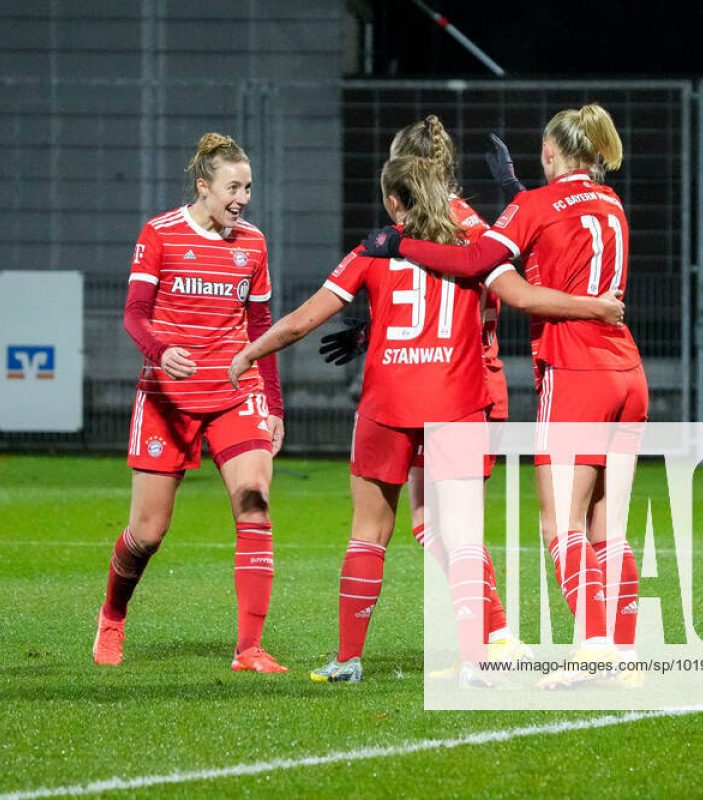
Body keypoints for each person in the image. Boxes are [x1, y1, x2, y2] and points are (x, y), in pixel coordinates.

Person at [230, 154, 620, 684]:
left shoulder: (373, 249)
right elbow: (521, 292)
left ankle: (348, 659)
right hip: (457, 403)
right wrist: (592, 305)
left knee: (368, 533)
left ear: (394, 201)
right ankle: (477, 661)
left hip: (386, 405)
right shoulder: (476, 247)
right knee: (462, 537)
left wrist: (249, 353)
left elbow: (302, 321)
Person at [361, 103, 648, 687]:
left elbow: (478, 261)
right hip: (628, 371)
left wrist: (398, 247)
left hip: (574, 370)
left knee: (560, 527)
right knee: (607, 528)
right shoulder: (610, 201)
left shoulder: (525, 207)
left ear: (549, 151)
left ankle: (589, 649)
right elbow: (557, 233)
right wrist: (515, 191)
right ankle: (620, 655)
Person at [320, 116, 538, 664]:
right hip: (455, 377)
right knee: (433, 523)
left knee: (446, 525)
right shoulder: (470, 224)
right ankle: (493, 633)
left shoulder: (433, 230)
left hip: (463, 382)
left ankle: (494, 636)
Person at [94, 132, 288, 673]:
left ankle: (249, 649)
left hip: (235, 392)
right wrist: (161, 351)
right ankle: (112, 616)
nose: (242, 199)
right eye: (233, 187)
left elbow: (261, 329)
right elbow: (135, 314)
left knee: (255, 506)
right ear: (203, 186)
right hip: (168, 397)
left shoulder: (253, 244)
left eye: (248, 188)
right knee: (147, 532)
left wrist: (273, 404)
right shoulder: (160, 234)